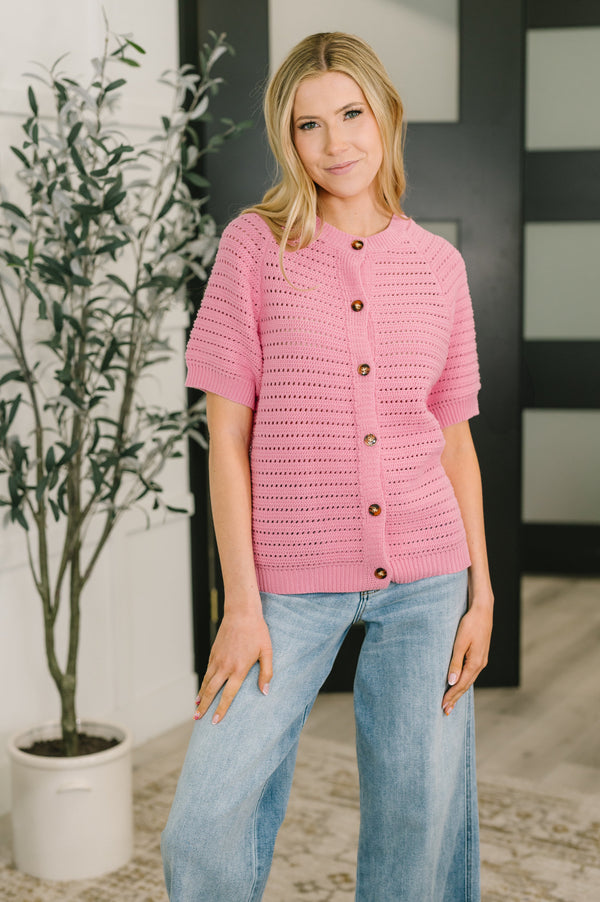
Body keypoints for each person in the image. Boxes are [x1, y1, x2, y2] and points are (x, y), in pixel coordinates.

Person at [161, 31, 493, 902]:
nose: (336, 142)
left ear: (386, 116)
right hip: (286, 586)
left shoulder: (440, 266)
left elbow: (455, 439)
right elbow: (226, 442)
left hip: (429, 578)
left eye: (352, 114)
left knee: (419, 820)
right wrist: (241, 604)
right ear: (289, 138)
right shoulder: (254, 248)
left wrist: (483, 593)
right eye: (310, 125)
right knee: (204, 822)